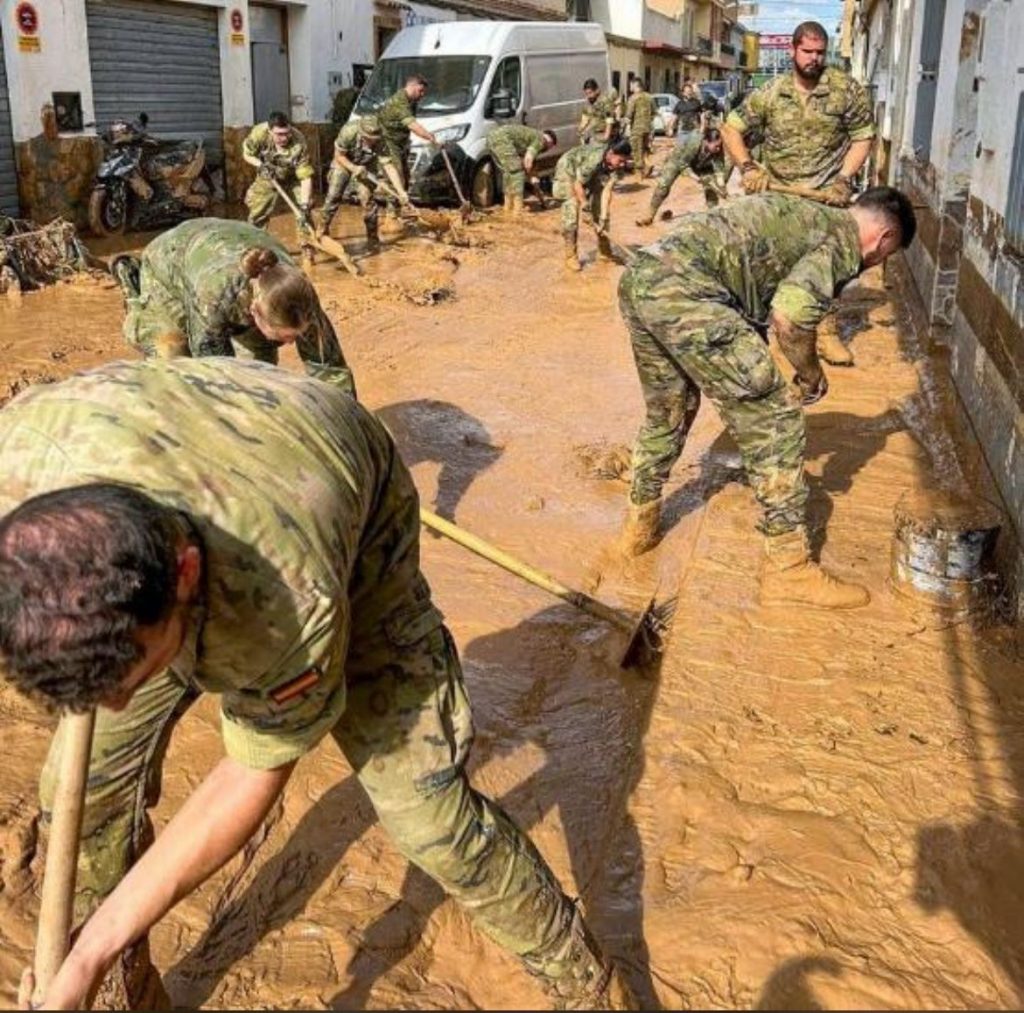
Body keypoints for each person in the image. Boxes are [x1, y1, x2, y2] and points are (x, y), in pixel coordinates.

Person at [0, 358, 633, 1012]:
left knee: (429, 817)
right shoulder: (16, 462)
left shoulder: (287, 596)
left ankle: (585, 980)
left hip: (342, 517)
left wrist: (91, 945)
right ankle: (121, 992)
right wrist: (89, 963)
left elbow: (251, 773)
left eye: (130, 679)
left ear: (185, 577)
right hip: (182, 461)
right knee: (85, 784)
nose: (119, 704)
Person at [618, 188, 916, 609]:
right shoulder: (840, 241)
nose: (877, 263)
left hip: (642, 279)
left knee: (668, 413)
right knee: (779, 419)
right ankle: (789, 569)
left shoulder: (806, 217)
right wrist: (810, 372)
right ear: (884, 238)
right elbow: (790, 318)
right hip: (689, 292)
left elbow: (755, 299)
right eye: (886, 255)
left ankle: (637, 531)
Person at [723, 21, 876, 366]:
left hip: (826, 197)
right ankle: (779, 335)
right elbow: (731, 128)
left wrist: (844, 178)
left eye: (820, 52)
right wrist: (748, 167)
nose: (814, 59)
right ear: (793, 50)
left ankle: (826, 332)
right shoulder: (771, 92)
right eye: (807, 51)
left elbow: (863, 136)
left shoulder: (844, 90)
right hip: (779, 197)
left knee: (831, 268)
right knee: (774, 265)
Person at [111, 218, 354, 396]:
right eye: (285, 337)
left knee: (258, 372)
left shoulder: (299, 297)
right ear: (256, 314)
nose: (292, 343)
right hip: (170, 261)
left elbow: (330, 368)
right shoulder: (215, 297)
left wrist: (350, 429)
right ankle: (135, 292)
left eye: (295, 336)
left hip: (232, 246)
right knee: (176, 360)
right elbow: (215, 376)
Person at [318, 116, 410, 250]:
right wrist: (354, 168)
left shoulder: (381, 139)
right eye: (368, 139)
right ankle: (321, 232)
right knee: (333, 196)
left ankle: (373, 238)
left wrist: (401, 191)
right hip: (344, 162)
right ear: (361, 133)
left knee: (367, 199)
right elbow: (339, 155)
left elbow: (389, 166)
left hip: (367, 164)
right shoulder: (348, 132)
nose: (371, 142)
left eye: (374, 140)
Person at [241, 111, 316, 266]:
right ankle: (255, 249)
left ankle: (308, 248)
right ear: (270, 131)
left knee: (305, 210)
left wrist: (303, 205)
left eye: (287, 133)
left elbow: (305, 177)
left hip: (293, 176)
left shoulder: (299, 141)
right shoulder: (259, 134)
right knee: (258, 211)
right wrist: (260, 165)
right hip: (268, 174)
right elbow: (247, 154)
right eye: (279, 134)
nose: (284, 138)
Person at [553, 139, 632, 271]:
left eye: (625, 161)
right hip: (569, 169)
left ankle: (605, 253)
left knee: (601, 213)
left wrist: (603, 217)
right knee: (571, 207)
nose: (622, 164)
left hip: (592, 173)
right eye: (620, 160)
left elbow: (607, 191)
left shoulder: (618, 166)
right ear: (611, 154)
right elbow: (577, 184)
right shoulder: (594, 159)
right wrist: (584, 207)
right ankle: (570, 256)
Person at [377, 74, 439, 231]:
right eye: (420, 91)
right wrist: (431, 138)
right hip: (388, 142)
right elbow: (412, 125)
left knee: (406, 177)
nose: (422, 95)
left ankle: (398, 212)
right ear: (411, 86)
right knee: (395, 176)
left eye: (424, 92)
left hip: (401, 143)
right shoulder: (400, 101)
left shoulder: (412, 101)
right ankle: (390, 217)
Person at [635, 128, 728, 225]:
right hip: (678, 160)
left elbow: (719, 169)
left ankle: (714, 216)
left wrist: (721, 187)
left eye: (719, 146)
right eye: (716, 146)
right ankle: (649, 215)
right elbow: (683, 164)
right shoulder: (694, 142)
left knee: (711, 188)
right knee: (663, 185)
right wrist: (695, 177)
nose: (718, 149)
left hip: (701, 164)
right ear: (706, 141)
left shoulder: (718, 149)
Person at [485, 124, 558, 216]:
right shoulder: (541, 139)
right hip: (502, 139)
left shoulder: (532, 137)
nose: (547, 149)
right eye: (550, 147)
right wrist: (531, 177)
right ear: (550, 142)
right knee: (517, 171)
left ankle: (508, 206)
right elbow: (528, 159)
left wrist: (532, 175)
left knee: (508, 172)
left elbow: (525, 158)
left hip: (491, 138)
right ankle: (518, 210)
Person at [625, 79, 655, 177]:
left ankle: (639, 174)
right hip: (648, 128)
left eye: (630, 85)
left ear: (635, 85)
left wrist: (624, 124)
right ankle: (647, 164)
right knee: (644, 148)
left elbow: (629, 114)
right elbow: (654, 112)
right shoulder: (649, 97)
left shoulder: (633, 98)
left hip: (637, 129)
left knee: (636, 151)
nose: (630, 87)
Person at [578, 78, 619, 145]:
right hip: (593, 134)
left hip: (602, 134)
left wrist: (606, 136)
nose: (588, 96)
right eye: (586, 94)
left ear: (597, 90)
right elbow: (585, 117)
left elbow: (609, 119)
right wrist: (581, 130)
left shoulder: (605, 101)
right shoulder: (588, 102)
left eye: (590, 93)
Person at [672, 81, 705, 148]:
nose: (688, 93)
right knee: (681, 150)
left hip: (694, 130)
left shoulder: (696, 102)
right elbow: (674, 117)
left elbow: (702, 115)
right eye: (686, 91)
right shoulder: (679, 104)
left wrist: (702, 127)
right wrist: (670, 128)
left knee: (694, 150)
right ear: (683, 93)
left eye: (690, 91)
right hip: (682, 131)